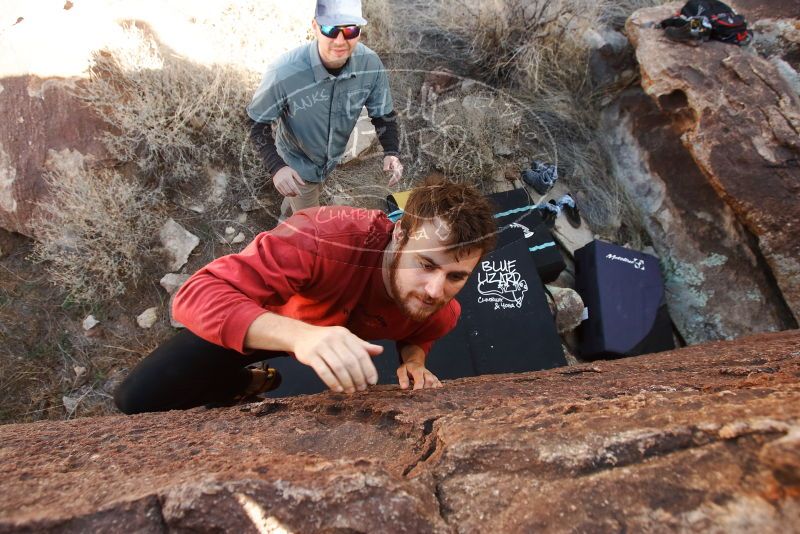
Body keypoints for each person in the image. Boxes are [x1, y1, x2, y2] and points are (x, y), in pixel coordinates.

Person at [114, 178, 497, 414]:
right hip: (266, 322)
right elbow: (195, 295)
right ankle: (243, 383)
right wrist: (302, 337)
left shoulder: (441, 306)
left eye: (456, 276)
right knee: (137, 397)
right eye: (426, 264)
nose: (436, 290)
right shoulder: (323, 236)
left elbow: (422, 332)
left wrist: (413, 360)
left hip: (314, 336)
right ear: (400, 235)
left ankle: (246, 384)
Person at [248, 0, 403, 220]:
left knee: (298, 205)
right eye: (330, 29)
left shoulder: (370, 64)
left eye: (350, 30)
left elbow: (383, 114)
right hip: (298, 162)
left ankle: (288, 218)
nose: (340, 41)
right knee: (311, 226)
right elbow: (257, 123)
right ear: (314, 26)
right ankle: (292, 233)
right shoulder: (284, 71)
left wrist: (391, 151)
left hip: (330, 160)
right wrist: (277, 167)